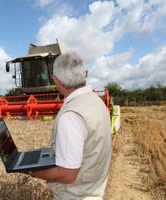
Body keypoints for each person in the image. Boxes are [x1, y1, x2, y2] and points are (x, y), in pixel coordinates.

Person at [24, 52, 112, 199]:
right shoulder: (96, 102)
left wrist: (31, 171)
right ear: (85, 73)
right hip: (95, 188)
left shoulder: (71, 116)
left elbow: (67, 174)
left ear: (56, 80)